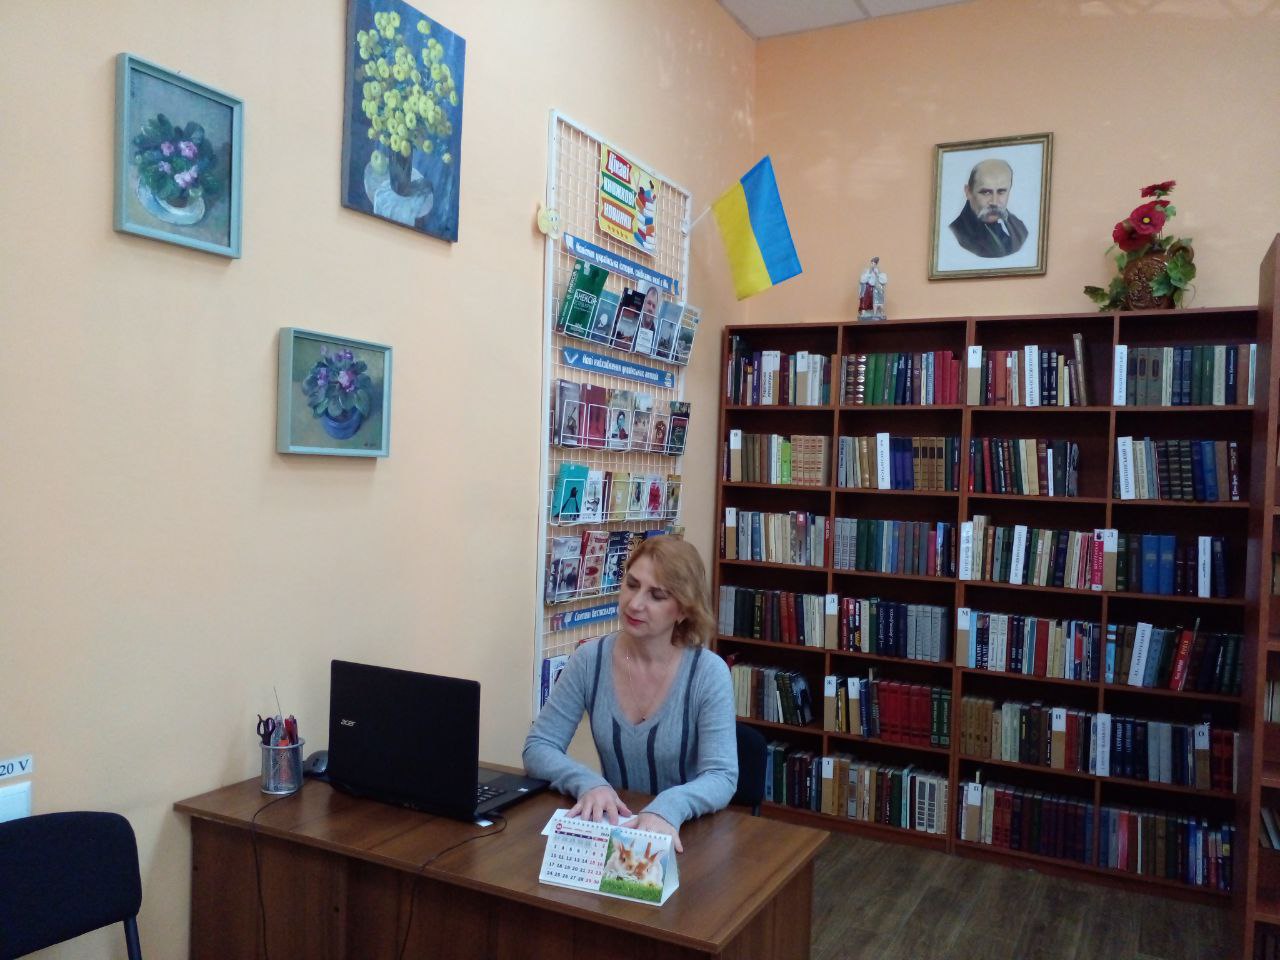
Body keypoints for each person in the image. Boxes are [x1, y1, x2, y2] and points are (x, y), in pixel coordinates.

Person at [523, 537, 736, 852]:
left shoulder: (708, 672)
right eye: (631, 585)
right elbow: (539, 746)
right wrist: (588, 783)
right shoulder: (590, 659)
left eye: (657, 595)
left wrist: (669, 807)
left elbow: (722, 775)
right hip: (616, 830)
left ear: (683, 610)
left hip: (686, 834)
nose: (635, 604)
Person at [949, 158, 1028, 258]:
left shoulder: (1020, 227)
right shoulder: (957, 234)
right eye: (986, 192)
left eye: (1001, 192)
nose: (994, 202)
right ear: (968, 192)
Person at [857, 256, 887, 321]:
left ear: (876, 264)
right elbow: (862, 280)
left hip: (875, 289)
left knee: (877, 301)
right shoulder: (867, 271)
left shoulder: (878, 272)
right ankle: (864, 312)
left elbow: (882, 281)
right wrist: (869, 274)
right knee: (865, 297)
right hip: (868, 287)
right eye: (872, 263)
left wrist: (877, 275)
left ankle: (877, 313)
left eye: (874, 263)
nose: (872, 265)